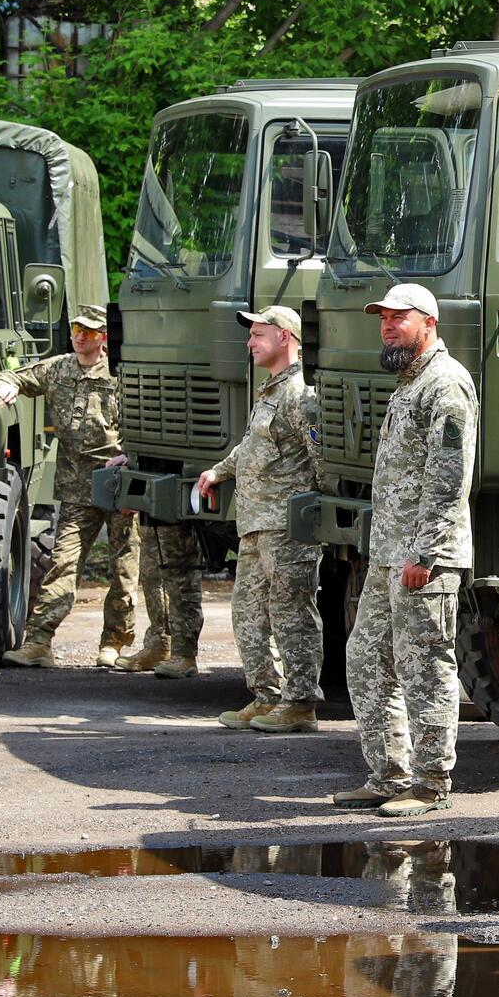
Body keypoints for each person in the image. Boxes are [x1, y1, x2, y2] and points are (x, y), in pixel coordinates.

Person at [332, 283, 477, 817]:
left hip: (423, 560)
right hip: (389, 555)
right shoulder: (408, 384)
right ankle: (388, 775)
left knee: (425, 667)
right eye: (383, 320)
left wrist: (427, 553)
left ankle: (431, 783)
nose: (388, 327)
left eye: (399, 319)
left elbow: (448, 479)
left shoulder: (446, 384)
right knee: (366, 658)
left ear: (429, 323)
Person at [195, 305, 325, 732]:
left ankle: (300, 704)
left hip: (287, 527)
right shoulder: (271, 390)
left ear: (285, 337)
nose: (249, 343)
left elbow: (321, 461)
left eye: (257, 335)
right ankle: (266, 695)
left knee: (291, 613)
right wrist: (219, 470)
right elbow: (254, 447)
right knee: (247, 610)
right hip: (254, 524)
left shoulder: (300, 394)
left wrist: (313, 510)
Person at [0, 305, 139, 668]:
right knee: (63, 562)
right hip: (77, 486)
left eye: (89, 331)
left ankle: (114, 643)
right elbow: (15, 377)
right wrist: (6, 385)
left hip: (120, 483)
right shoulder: (59, 368)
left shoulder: (121, 372)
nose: (79, 336)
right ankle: (40, 641)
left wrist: (133, 459)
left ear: (102, 337)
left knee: (124, 569)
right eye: (77, 328)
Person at [97, 458, 204, 680]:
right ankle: (160, 644)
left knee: (179, 574)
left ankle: (184, 654)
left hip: (179, 483)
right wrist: (131, 459)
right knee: (152, 573)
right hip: (151, 481)